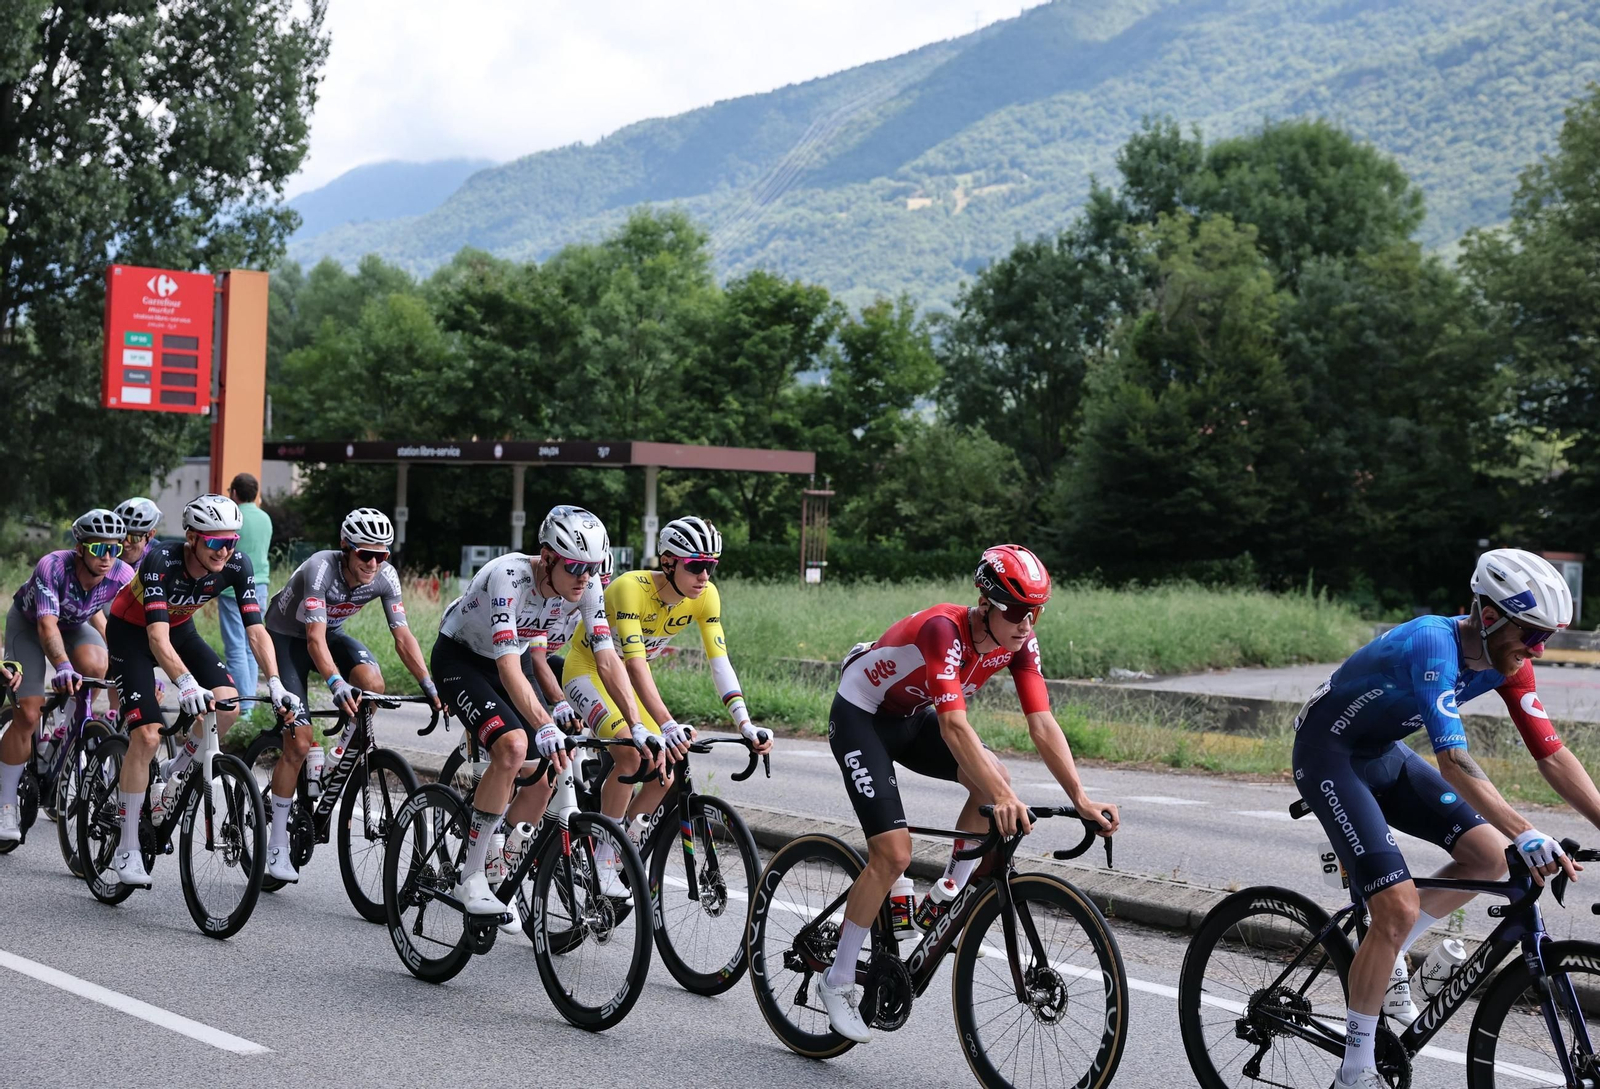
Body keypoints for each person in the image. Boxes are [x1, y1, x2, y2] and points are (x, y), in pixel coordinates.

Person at [1292, 549, 1593, 1089]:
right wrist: (1525, 831)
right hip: (1328, 755)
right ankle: (1355, 1072)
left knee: (1487, 858)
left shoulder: (1509, 663)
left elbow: (1551, 755)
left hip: (1382, 752)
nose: (1538, 649)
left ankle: (1386, 949)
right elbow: (1453, 760)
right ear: (1489, 616)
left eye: (1545, 636)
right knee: (1396, 906)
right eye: (1531, 634)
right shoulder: (1434, 642)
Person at [814, 544, 1119, 1043]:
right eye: (1017, 612)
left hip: (910, 717)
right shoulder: (944, 631)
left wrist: (1081, 798)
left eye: (1036, 612)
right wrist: (1002, 795)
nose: (1027, 624)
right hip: (861, 716)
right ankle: (837, 979)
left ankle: (947, 893)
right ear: (986, 603)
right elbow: (954, 726)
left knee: (994, 777)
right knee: (893, 854)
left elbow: (1042, 723)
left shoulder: (1020, 643)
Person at [432, 505, 644, 927]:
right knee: (513, 748)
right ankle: (470, 876)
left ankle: (498, 867)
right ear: (547, 558)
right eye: (575, 567)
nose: (585, 577)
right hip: (462, 658)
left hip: (516, 658)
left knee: (544, 778)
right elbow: (508, 667)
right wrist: (545, 724)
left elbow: (607, 660)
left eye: (592, 568)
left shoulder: (588, 586)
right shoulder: (508, 577)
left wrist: (636, 725)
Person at [561, 515, 773, 897]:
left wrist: (745, 723)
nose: (704, 576)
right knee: (631, 757)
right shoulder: (631, 589)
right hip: (588, 672)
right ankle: (603, 860)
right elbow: (634, 663)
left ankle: (623, 844)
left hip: (627, 681)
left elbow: (719, 662)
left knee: (665, 773)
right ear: (669, 562)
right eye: (696, 565)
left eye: (711, 566)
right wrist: (667, 723)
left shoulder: (706, 596)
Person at [104, 493, 300, 888]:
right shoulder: (162, 560)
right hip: (132, 634)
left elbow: (256, 632)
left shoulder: (237, 564)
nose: (224, 551)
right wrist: (185, 683)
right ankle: (126, 847)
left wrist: (276, 682)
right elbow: (156, 638)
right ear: (192, 537)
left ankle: (175, 773)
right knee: (147, 736)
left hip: (181, 631)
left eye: (231, 541)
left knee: (227, 705)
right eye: (215, 542)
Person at [260, 507, 440, 882]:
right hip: (285, 640)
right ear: (345, 547)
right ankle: (276, 843)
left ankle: (336, 755)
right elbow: (313, 640)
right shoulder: (320, 568)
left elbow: (403, 636)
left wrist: (428, 683)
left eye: (381, 555)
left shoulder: (385, 576)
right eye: (365, 554)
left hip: (330, 634)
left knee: (373, 685)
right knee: (298, 742)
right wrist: (336, 683)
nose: (373, 563)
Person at [0, 509, 134, 843]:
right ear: (80, 548)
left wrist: (140, 668)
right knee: (28, 713)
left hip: (74, 626)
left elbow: (128, 628)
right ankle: (5, 804)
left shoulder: (123, 574)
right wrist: (62, 665)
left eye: (114, 549)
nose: (107, 557)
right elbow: (47, 626)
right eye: (98, 549)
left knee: (97, 666)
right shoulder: (53, 566)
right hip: (30, 626)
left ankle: (66, 730)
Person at [217, 472, 272, 696]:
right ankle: (250, 700)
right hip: (261, 586)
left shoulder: (234, 518)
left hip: (233, 590)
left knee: (236, 648)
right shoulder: (265, 518)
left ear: (234, 492)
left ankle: (244, 703)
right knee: (253, 646)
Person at [114, 496, 162, 569]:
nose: (125, 544)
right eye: (121, 536)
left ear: (150, 535)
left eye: (134, 538)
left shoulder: (160, 558)